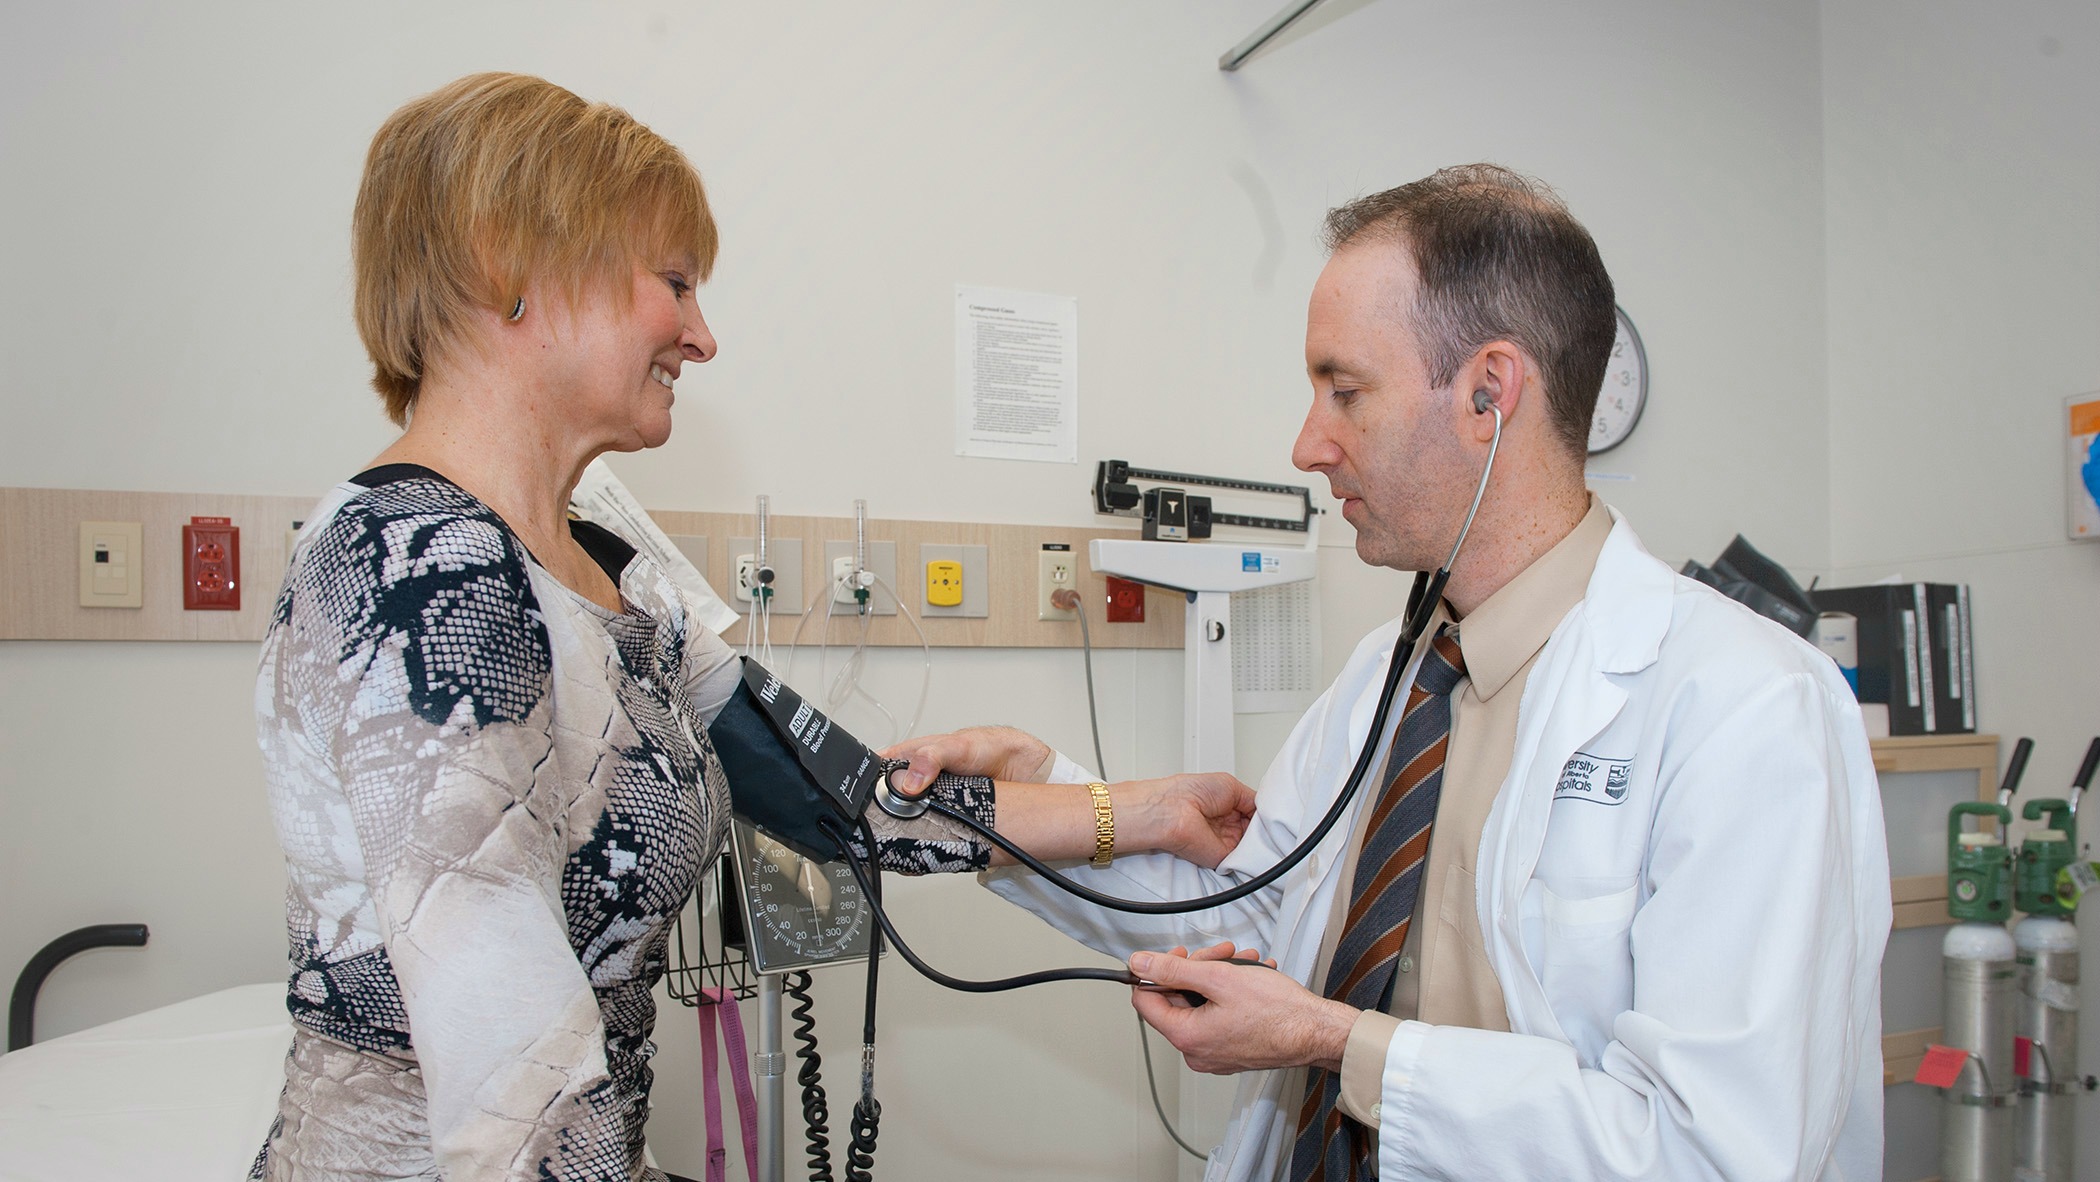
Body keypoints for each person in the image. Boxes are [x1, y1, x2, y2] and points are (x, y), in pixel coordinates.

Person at [252, 72, 1254, 1182]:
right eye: (674, 283)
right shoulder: (415, 567)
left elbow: (849, 800)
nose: (702, 335)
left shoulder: (615, 572)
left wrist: (1146, 812)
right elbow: (517, 1098)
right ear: (511, 261)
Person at [886, 164, 1891, 1181]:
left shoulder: (1746, 709)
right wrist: (1031, 797)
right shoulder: (1390, 678)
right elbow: (1256, 926)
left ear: (1489, 395)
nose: (1308, 443)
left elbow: (1714, 1154)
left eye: (1345, 390)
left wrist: (1338, 1046)